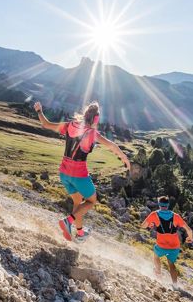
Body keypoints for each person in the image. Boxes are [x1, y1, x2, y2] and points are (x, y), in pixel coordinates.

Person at [33, 100, 131, 243]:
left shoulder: (69, 125)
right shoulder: (92, 133)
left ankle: (79, 233)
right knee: (91, 201)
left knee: (78, 202)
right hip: (78, 174)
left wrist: (39, 111)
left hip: (64, 173)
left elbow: (46, 124)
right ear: (95, 119)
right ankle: (68, 221)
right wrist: (125, 158)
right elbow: (112, 145)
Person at [142, 196, 193, 289]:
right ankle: (175, 285)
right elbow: (189, 229)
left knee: (156, 256)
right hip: (174, 246)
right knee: (171, 264)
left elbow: (143, 226)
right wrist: (190, 238)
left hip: (161, 245)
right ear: (168, 205)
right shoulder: (175, 216)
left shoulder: (154, 214)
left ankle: (158, 273)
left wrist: (150, 224)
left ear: (159, 204)